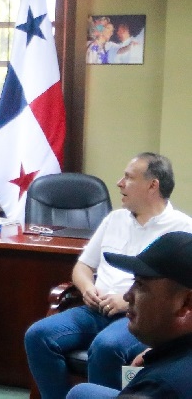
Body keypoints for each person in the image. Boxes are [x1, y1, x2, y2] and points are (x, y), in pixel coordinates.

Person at [24, 152, 192, 399]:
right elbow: (82, 267)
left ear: (152, 185)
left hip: (137, 314)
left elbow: (179, 290)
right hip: (94, 309)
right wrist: (87, 289)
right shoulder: (115, 219)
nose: (119, 183)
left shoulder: (182, 228)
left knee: (107, 346)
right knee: (38, 335)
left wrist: (125, 300)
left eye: (128, 177)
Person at [67, 231, 192, 398]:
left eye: (140, 285)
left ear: (186, 302)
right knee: (82, 392)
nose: (127, 296)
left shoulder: (158, 388)